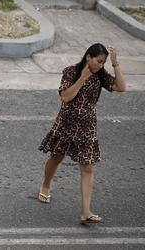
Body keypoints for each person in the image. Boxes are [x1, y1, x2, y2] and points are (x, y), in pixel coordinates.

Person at [38, 44, 127, 225]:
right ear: (88, 57)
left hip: (87, 127)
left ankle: (86, 212)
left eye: (104, 62)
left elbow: (121, 87)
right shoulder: (71, 72)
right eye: (99, 61)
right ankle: (46, 185)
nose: (101, 65)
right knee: (56, 156)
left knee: (87, 167)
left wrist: (116, 64)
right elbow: (65, 97)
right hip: (67, 124)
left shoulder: (100, 76)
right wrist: (83, 78)